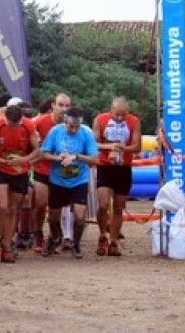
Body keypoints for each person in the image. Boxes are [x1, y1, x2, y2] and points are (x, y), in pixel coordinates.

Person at [41, 107, 99, 259]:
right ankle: (55, 238)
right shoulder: (55, 131)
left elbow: (94, 159)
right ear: (64, 122)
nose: (73, 130)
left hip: (79, 179)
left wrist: (77, 157)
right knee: (53, 217)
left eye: (76, 127)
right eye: (70, 126)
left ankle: (76, 243)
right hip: (58, 180)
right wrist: (58, 158)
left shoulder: (86, 133)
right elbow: (44, 153)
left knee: (80, 216)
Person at [0, 105, 40, 263]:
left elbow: (37, 150)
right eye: (11, 123)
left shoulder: (29, 125)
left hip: (19, 170)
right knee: (2, 206)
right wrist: (5, 162)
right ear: (5, 118)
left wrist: (22, 160)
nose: (14, 126)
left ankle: (7, 245)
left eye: (17, 123)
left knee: (13, 209)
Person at [93, 96, 141, 256]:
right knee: (103, 205)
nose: (120, 118)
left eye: (123, 115)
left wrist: (122, 149)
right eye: (117, 114)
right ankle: (102, 235)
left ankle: (114, 240)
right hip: (105, 167)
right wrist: (109, 147)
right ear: (110, 110)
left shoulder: (134, 121)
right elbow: (93, 143)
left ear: (127, 111)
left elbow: (137, 146)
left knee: (119, 207)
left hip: (123, 168)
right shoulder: (100, 119)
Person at [31, 93, 70, 253]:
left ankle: (54, 236)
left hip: (60, 171)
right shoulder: (39, 122)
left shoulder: (70, 125)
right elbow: (31, 142)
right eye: (60, 105)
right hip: (41, 167)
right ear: (53, 105)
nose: (63, 109)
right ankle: (37, 234)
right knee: (40, 203)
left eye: (67, 106)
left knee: (57, 209)